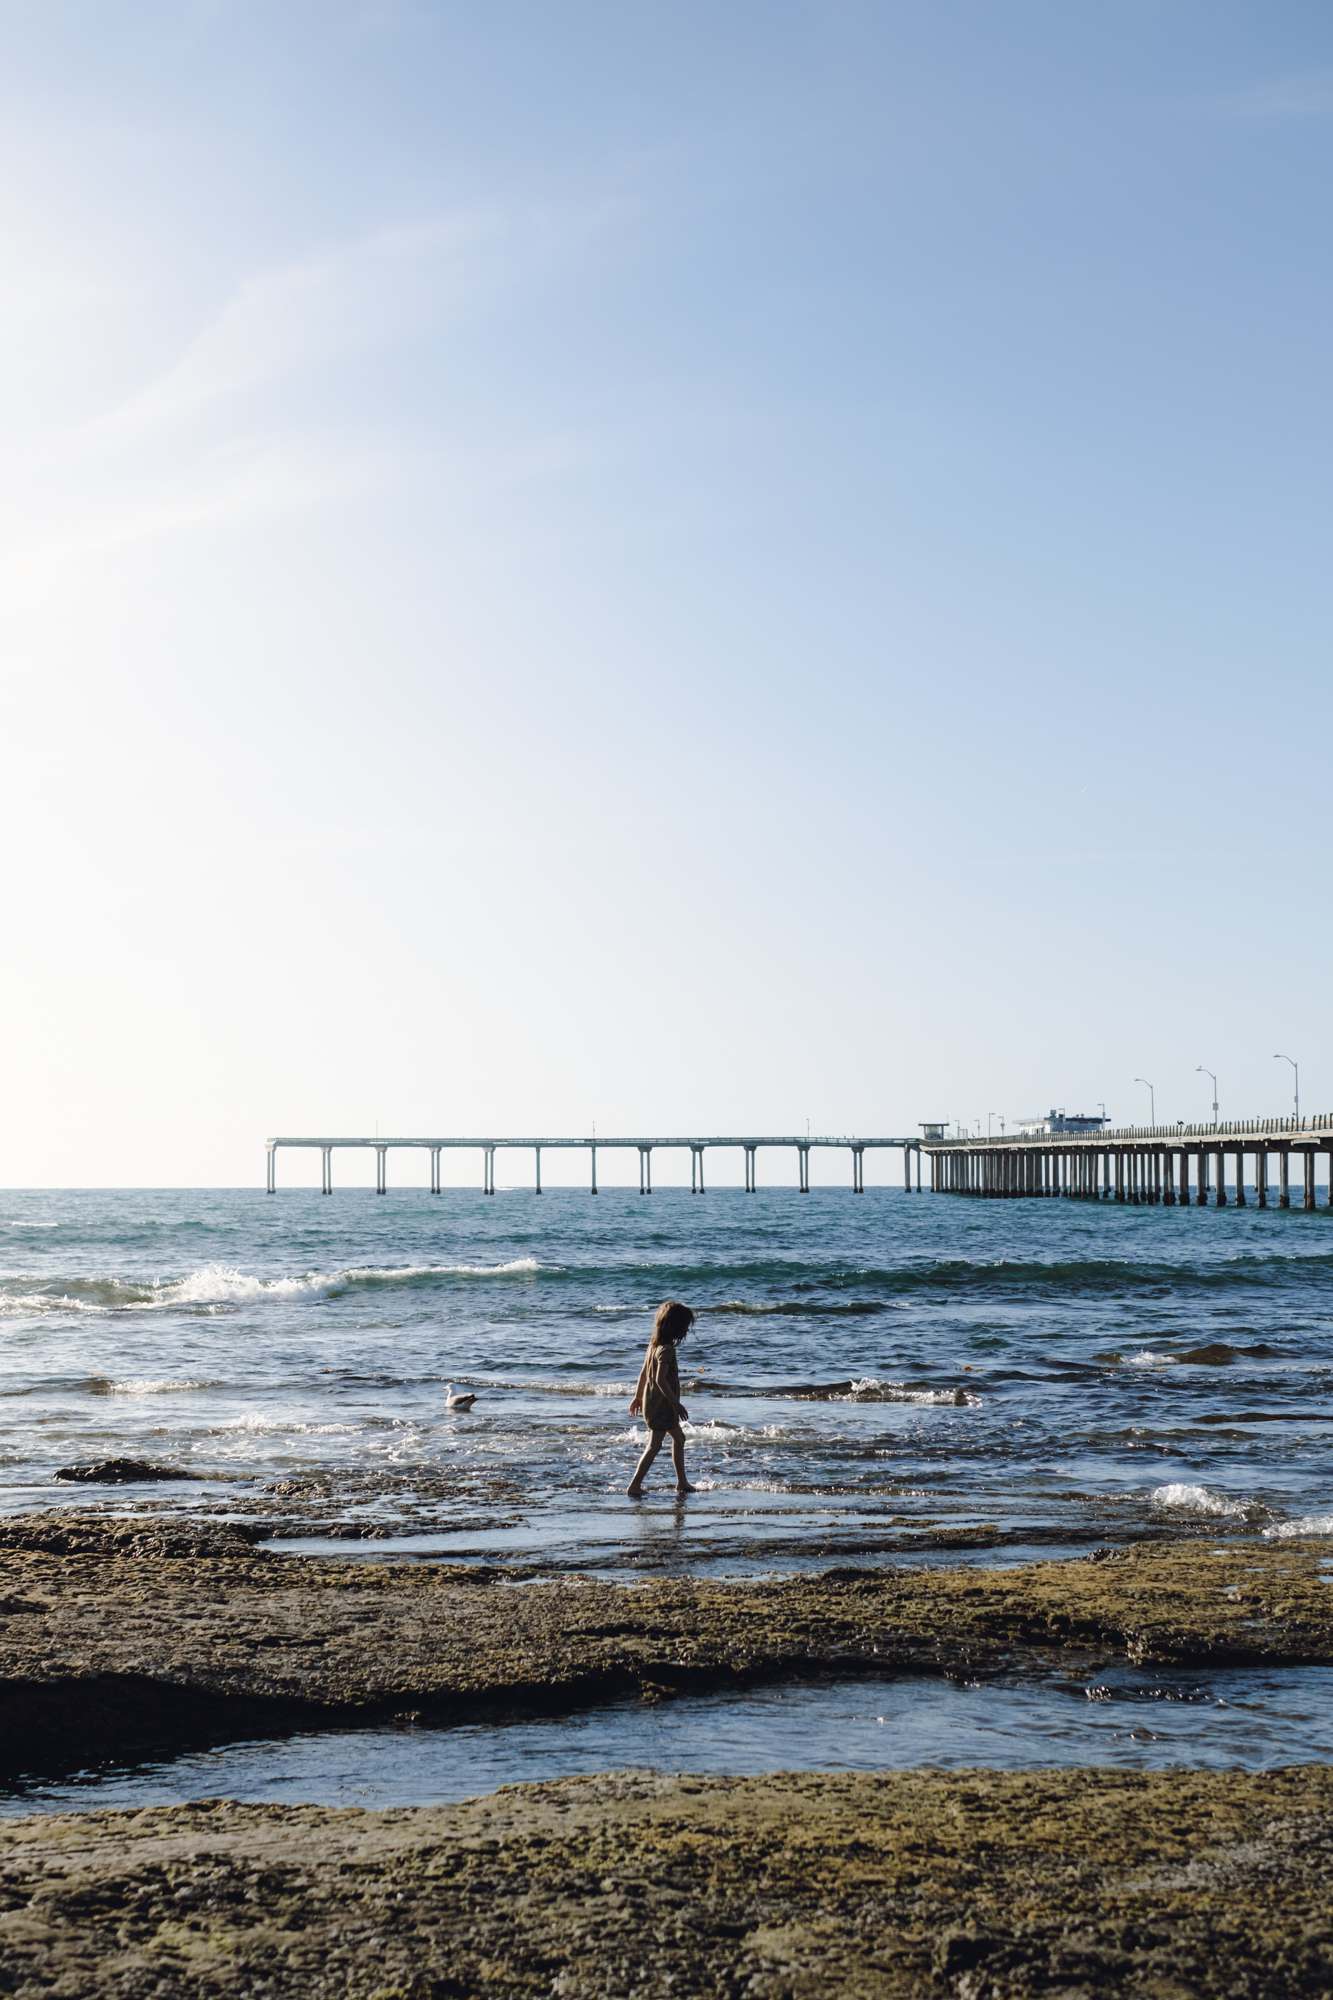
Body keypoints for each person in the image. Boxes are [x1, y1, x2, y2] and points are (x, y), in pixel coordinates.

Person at [626, 1299, 696, 1497]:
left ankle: (681, 1482)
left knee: (678, 1438)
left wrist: (637, 1397)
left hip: (652, 1401)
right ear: (677, 1328)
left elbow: (643, 1373)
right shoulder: (666, 1349)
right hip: (662, 1404)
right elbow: (659, 1380)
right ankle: (635, 1485)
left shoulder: (653, 1345)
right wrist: (676, 1403)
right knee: (655, 1445)